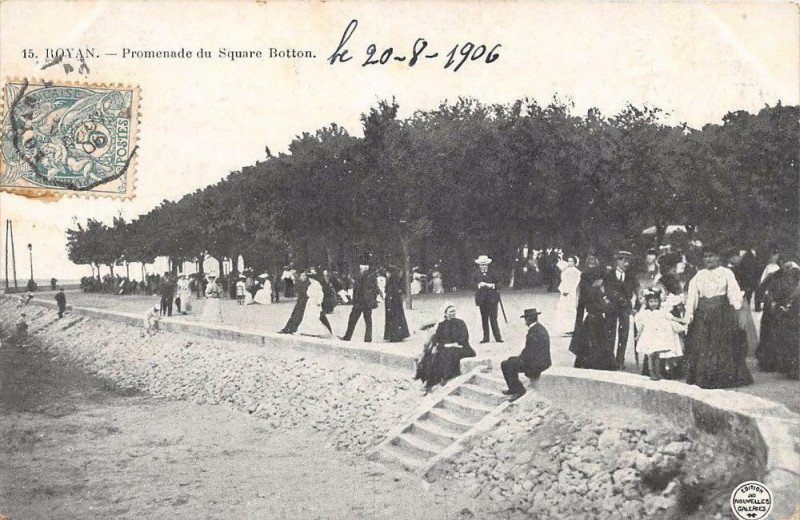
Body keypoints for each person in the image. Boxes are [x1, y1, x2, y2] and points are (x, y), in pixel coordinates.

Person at [684, 247, 753, 389]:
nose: (708, 259)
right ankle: (704, 377)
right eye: (706, 256)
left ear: (718, 258)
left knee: (721, 343)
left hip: (721, 313)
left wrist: (736, 306)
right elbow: (692, 296)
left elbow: (733, 291)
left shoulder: (726, 273)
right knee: (704, 344)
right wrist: (689, 313)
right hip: (703, 313)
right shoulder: (699, 275)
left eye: (711, 256)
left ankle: (721, 377)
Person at [414, 303, 476, 393]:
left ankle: (445, 378)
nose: (453, 313)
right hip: (446, 347)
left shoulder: (460, 323)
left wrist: (455, 343)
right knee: (432, 355)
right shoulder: (442, 324)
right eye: (450, 312)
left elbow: (464, 337)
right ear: (445, 314)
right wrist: (437, 346)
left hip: (461, 347)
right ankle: (428, 380)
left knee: (448, 353)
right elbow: (437, 338)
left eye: (454, 311)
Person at [756, 261, 800, 378]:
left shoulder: (791, 276)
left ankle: (781, 364)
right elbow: (764, 290)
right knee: (774, 335)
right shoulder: (775, 276)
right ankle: (773, 362)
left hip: (784, 310)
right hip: (776, 309)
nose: (789, 272)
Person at [634, 288, 686, 380]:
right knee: (651, 355)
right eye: (651, 301)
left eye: (655, 301)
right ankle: (651, 372)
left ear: (659, 301)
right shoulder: (646, 313)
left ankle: (657, 372)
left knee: (657, 355)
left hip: (658, 337)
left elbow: (671, 318)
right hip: (649, 336)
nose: (653, 303)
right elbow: (642, 325)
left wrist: (681, 320)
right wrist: (638, 335)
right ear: (647, 302)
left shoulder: (662, 311)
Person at [501, 308, 551, 401]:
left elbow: (530, 352)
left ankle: (519, 390)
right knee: (508, 362)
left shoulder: (535, 331)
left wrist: (519, 359)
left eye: (525, 319)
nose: (525, 322)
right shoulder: (539, 328)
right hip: (541, 360)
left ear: (528, 319)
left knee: (509, 363)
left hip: (537, 363)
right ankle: (512, 388)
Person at [571, 275, 617, 370]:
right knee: (597, 341)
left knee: (593, 341)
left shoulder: (591, 290)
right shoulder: (594, 291)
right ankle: (596, 363)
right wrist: (606, 303)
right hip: (596, 319)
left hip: (593, 318)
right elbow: (599, 306)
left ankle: (589, 361)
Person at [603, 251, 639, 370]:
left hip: (625, 309)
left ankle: (620, 360)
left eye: (628, 261)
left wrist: (636, 307)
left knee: (623, 334)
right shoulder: (609, 275)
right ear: (617, 261)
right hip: (612, 308)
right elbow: (606, 290)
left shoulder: (631, 275)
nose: (626, 263)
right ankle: (609, 360)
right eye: (623, 260)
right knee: (610, 333)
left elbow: (638, 291)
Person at [340, 257, 379, 342]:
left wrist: (354, 300)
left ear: (363, 268)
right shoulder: (372, 277)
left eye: (361, 268)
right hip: (367, 302)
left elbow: (358, 289)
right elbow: (375, 289)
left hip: (360, 302)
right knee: (368, 320)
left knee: (352, 319)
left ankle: (347, 336)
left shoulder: (362, 277)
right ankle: (368, 338)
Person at [473, 254, 503, 344]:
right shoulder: (476, 274)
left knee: (493, 319)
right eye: (481, 265)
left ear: (488, 265)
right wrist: (478, 285)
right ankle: (486, 338)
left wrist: (491, 285)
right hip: (482, 300)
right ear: (479, 265)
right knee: (484, 319)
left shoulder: (493, 273)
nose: (483, 266)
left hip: (492, 299)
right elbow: (471, 285)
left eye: (485, 264)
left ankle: (498, 337)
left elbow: (500, 284)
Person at [296, 268, 333, 338]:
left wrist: (319, 301)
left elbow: (320, 293)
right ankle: (307, 331)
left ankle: (316, 331)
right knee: (308, 316)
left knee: (314, 316)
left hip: (314, 302)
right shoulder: (311, 284)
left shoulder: (316, 284)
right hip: (310, 302)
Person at [554, 256, 581, 336]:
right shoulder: (567, 270)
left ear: (575, 262)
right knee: (564, 309)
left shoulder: (575, 271)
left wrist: (567, 290)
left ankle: (571, 328)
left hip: (570, 292)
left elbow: (573, 283)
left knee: (570, 309)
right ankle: (565, 328)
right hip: (565, 292)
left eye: (572, 261)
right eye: (569, 261)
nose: (570, 263)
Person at [384, 266, 410, 342]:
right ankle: (399, 334)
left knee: (392, 318)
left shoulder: (391, 282)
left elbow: (388, 291)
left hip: (392, 302)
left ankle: (394, 335)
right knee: (398, 318)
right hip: (396, 302)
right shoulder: (396, 281)